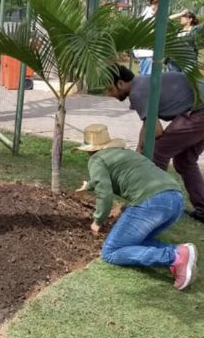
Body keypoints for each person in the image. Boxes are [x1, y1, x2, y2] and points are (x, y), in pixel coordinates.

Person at [106, 65, 204, 227]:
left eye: (110, 89)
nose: (109, 95)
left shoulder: (137, 93)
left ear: (121, 83)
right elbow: (148, 123)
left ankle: (148, 207)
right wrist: (139, 148)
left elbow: (156, 131)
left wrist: (143, 151)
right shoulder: (143, 83)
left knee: (158, 151)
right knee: (185, 161)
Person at [75, 124, 196, 290]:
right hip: (175, 199)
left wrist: (97, 221)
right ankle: (181, 252)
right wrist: (88, 185)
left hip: (151, 202)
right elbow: (109, 179)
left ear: (90, 149)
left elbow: (105, 194)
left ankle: (173, 257)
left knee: (111, 252)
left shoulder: (97, 159)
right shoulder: (125, 153)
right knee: (138, 241)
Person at [167, 6, 204, 70]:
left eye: (184, 16)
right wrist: (180, 14)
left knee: (186, 79)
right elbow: (167, 20)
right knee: (173, 79)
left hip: (188, 61)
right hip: (174, 62)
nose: (181, 18)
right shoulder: (178, 31)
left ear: (190, 19)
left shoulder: (194, 30)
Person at [135, 0, 159, 75]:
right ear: (156, 3)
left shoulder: (150, 14)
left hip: (146, 52)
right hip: (147, 52)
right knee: (146, 78)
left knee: (145, 76)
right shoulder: (148, 15)